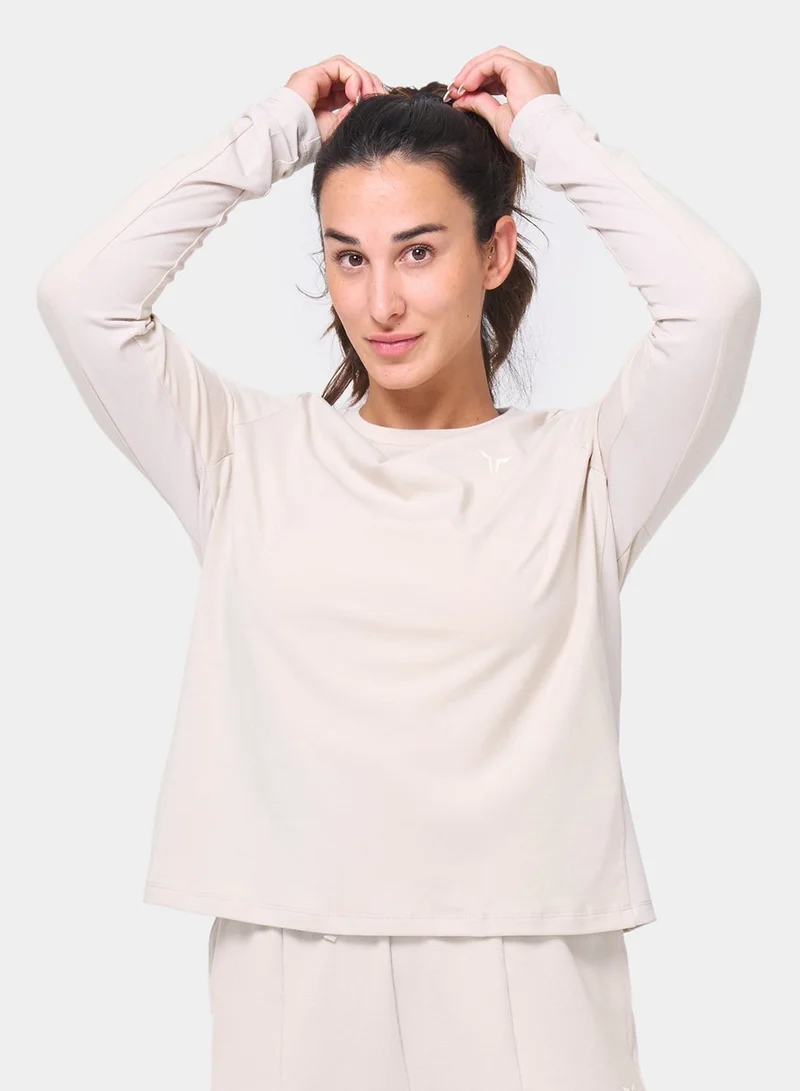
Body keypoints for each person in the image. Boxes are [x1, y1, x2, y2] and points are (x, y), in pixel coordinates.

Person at [36, 47, 761, 1091]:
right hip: (292, 952)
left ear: (495, 250)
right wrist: (277, 132)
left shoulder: (585, 468)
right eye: (348, 257)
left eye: (417, 251)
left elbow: (715, 302)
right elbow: (82, 297)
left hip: (528, 956)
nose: (380, 301)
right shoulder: (245, 454)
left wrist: (550, 134)